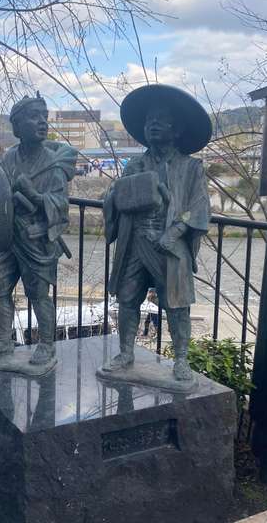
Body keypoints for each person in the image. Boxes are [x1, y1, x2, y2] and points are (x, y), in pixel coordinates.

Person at [103, 84, 211, 381]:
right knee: (127, 298)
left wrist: (175, 232)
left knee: (176, 304)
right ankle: (126, 352)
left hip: (169, 243)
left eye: (160, 120)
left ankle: (181, 359)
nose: (152, 125)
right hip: (134, 239)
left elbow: (199, 207)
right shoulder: (135, 164)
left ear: (176, 130)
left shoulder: (191, 167)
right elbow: (116, 198)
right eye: (149, 120)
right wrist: (114, 194)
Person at [0, 93, 77, 366]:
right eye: (34, 117)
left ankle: (46, 345)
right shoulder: (9, 157)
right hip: (11, 237)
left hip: (37, 240)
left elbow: (60, 204)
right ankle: (3, 342)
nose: (42, 122)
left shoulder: (52, 164)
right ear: (18, 126)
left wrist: (35, 197)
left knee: (37, 293)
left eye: (44, 117)